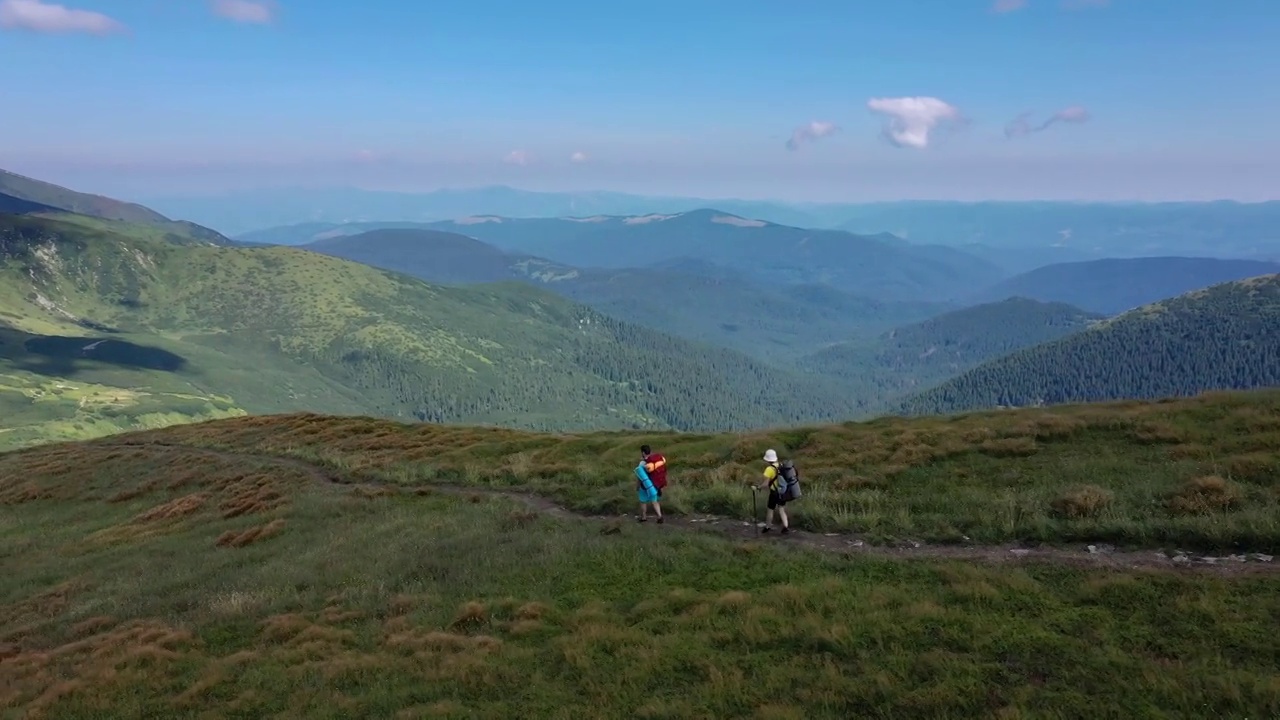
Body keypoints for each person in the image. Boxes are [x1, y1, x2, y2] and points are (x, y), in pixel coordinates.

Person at [754, 448, 789, 534]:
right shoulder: (781, 465)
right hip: (783, 492)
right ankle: (786, 527)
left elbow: (766, 484)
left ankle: (767, 526)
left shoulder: (769, 469)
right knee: (782, 509)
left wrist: (758, 487)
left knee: (770, 509)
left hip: (774, 493)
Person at [635, 458, 664, 523]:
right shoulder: (655, 461)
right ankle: (660, 516)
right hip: (654, 485)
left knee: (643, 501)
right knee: (654, 501)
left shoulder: (642, 463)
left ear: (643, 452)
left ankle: (644, 517)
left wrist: (638, 486)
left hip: (644, 485)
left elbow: (640, 475)